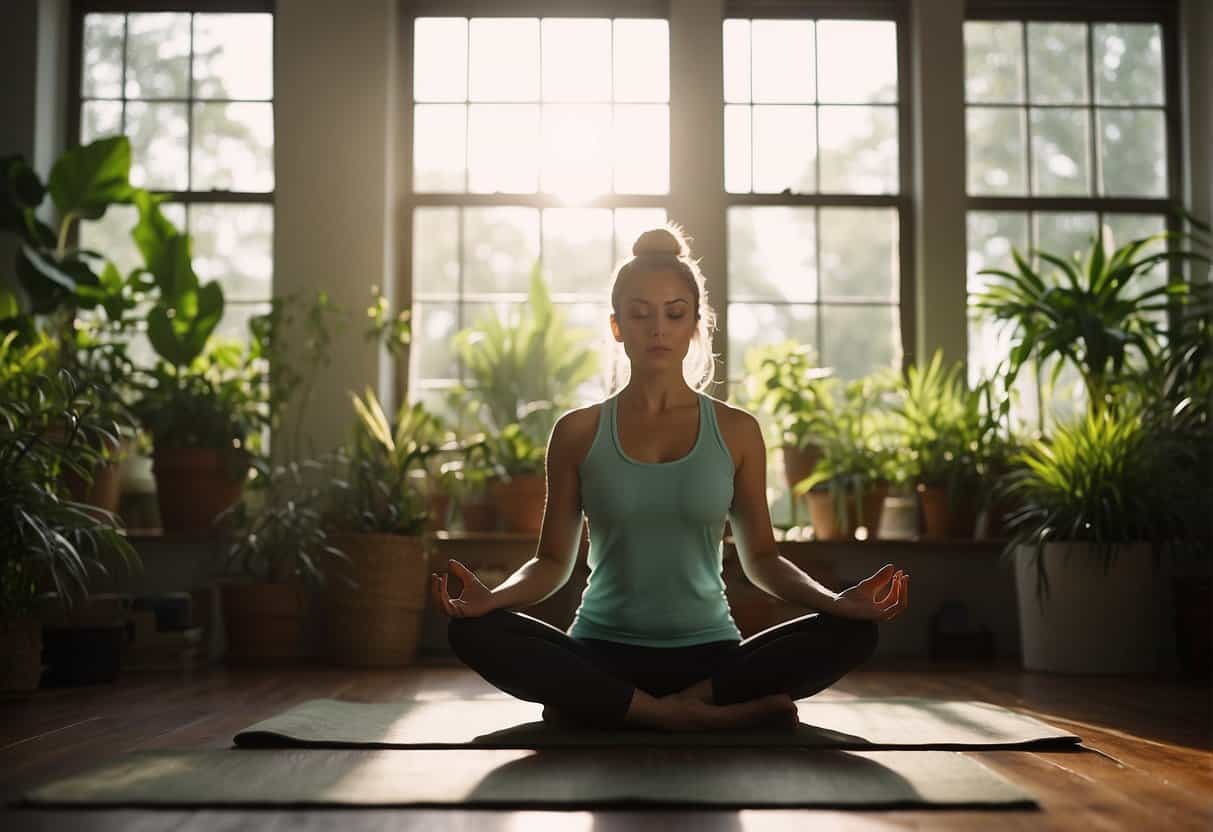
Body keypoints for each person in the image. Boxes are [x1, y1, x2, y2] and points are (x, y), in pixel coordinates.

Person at [431, 223, 910, 733]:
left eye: (674, 313)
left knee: (855, 633)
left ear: (694, 325)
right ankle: (677, 715)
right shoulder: (577, 432)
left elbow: (763, 559)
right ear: (617, 327)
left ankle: (640, 707)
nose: (657, 328)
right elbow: (551, 563)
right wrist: (493, 599)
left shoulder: (737, 431)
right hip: (599, 652)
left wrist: (836, 603)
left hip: (711, 660)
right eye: (639, 314)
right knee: (472, 632)